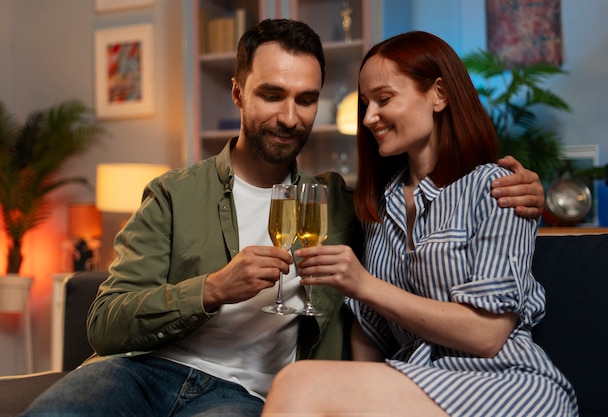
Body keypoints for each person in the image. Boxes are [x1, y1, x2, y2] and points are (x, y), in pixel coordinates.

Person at [24, 21, 544, 417]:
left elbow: (444, 219)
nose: (290, 116)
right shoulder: (173, 195)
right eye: (272, 95)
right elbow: (104, 325)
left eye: (306, 99)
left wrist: (526, 186)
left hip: (250, 393)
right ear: (237, 93)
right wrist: (211, 289)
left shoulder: (344, 201)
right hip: (143, 370)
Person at [261, 31, 578, 416]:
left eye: (384, 99)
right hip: (414, 382)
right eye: (365, 103)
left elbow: (487, 334)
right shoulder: (380, 205)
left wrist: (365, 286)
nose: (368, 117)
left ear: (439, 94)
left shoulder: (498, 189)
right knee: (302, 383)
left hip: (504, 381)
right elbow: (371, 330)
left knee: (298, 382)